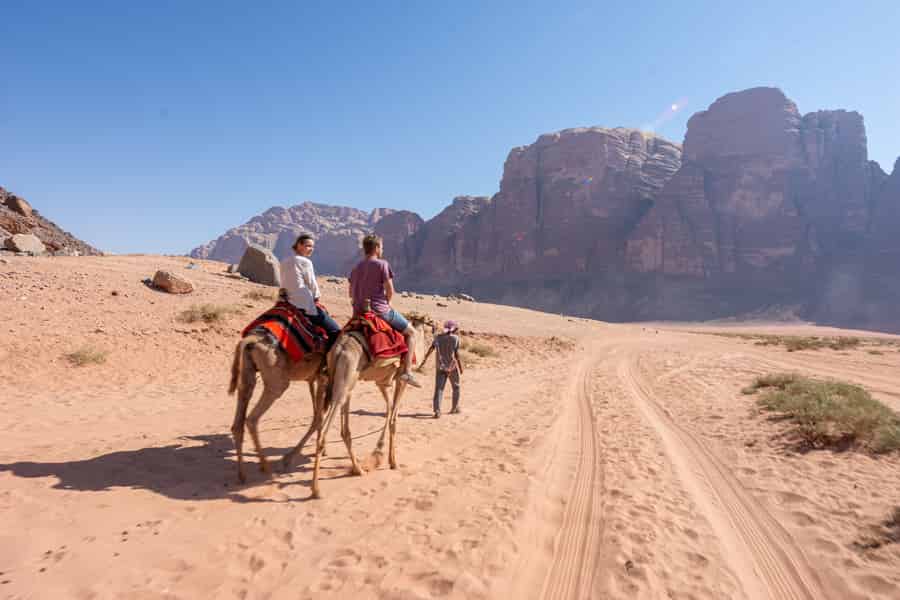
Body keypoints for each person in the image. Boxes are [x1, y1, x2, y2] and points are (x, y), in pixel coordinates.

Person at [348, 234, 421, 387]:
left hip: (358, 312)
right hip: (380, 310)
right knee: (412, 333)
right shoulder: (382, 264)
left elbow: (350, 292)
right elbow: (390, 290)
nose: (382, 249)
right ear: (376, 248)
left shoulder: (356, 267)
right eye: (381, 246)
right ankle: (407, 372)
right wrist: (386, 303)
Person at [279, 233, 341, 349]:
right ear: (299, 245)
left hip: (286, 302)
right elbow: (312, 285)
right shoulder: (305, 262)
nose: (311, 249)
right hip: (303, 304)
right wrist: (316, 297)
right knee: (335, 331)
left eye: (312, 247)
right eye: (308, 246)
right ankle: (328, 362)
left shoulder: (284, 261)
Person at [418, 320, 463, 418]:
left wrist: (424, 360)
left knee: (439, 389)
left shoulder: (438, 338)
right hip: (452, 367)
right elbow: (457, 354)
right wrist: (460, 367)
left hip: (440, 367)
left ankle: (437, 410)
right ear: (453, 329)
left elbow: (431, 349)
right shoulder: (455, 339)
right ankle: (455, 407)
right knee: (456, 387)